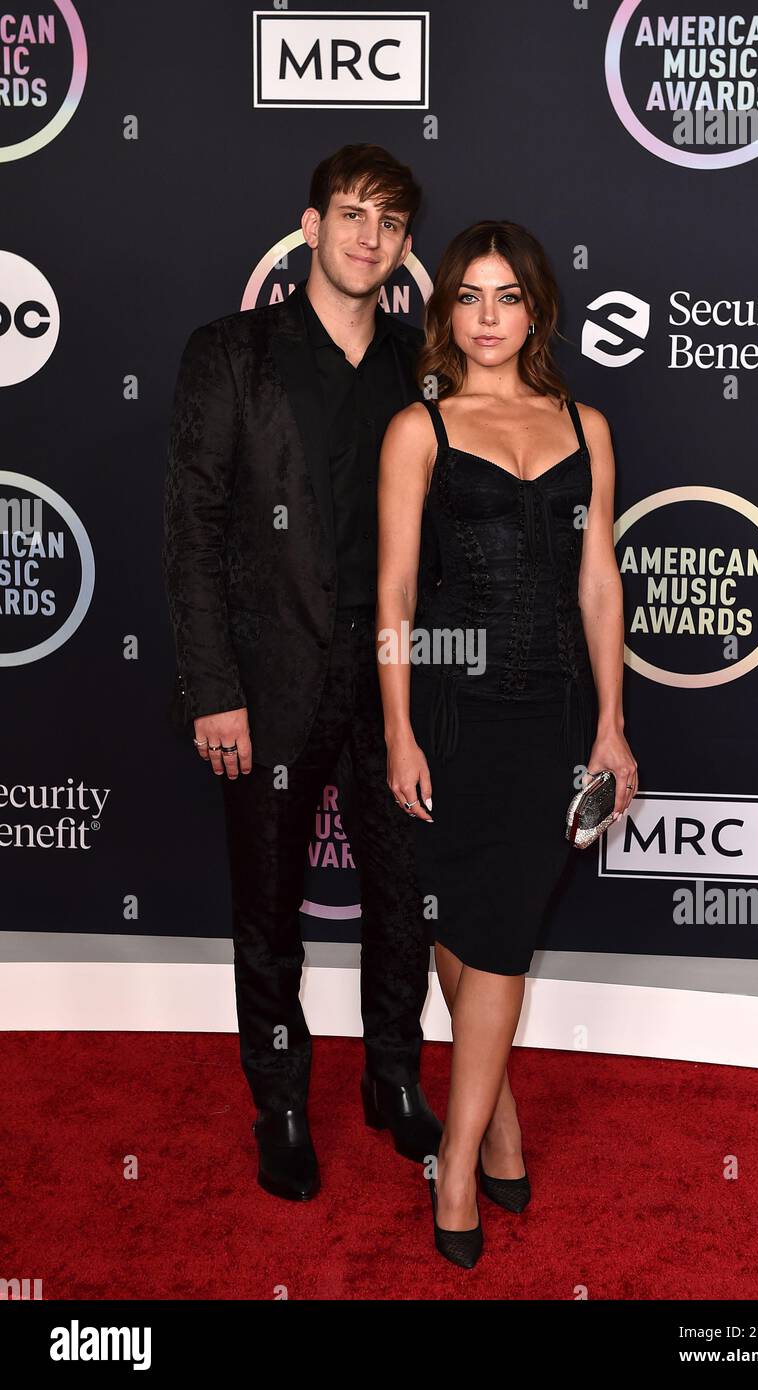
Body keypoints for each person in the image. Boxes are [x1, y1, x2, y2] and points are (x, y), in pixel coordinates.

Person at [162, 144, 442, 1202]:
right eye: (353, 214)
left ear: (407, 246)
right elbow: (192, 528)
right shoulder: (229, 353)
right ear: (310, 226)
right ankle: (279, 1102)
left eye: (393, 223)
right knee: (269, 907)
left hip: (397, 681)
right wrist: (212, 685)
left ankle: (393, 1077)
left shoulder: (427, 366)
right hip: (268, 682)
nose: (371, 237)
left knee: (405, 896)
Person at [376, 221, 638, 1266]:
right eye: (470, 298)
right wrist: (397, 725)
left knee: (495, 934)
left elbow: (599, 581)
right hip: (447, 706)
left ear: (538, 310)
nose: (488, 318)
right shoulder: (418, 428)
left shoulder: (588, 425)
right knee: (467, 936)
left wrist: (613, 723)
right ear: (446, 312)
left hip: (555, 715)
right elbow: (395, 592)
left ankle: (456, 1155)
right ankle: (498, 1126)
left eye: (508, 297)